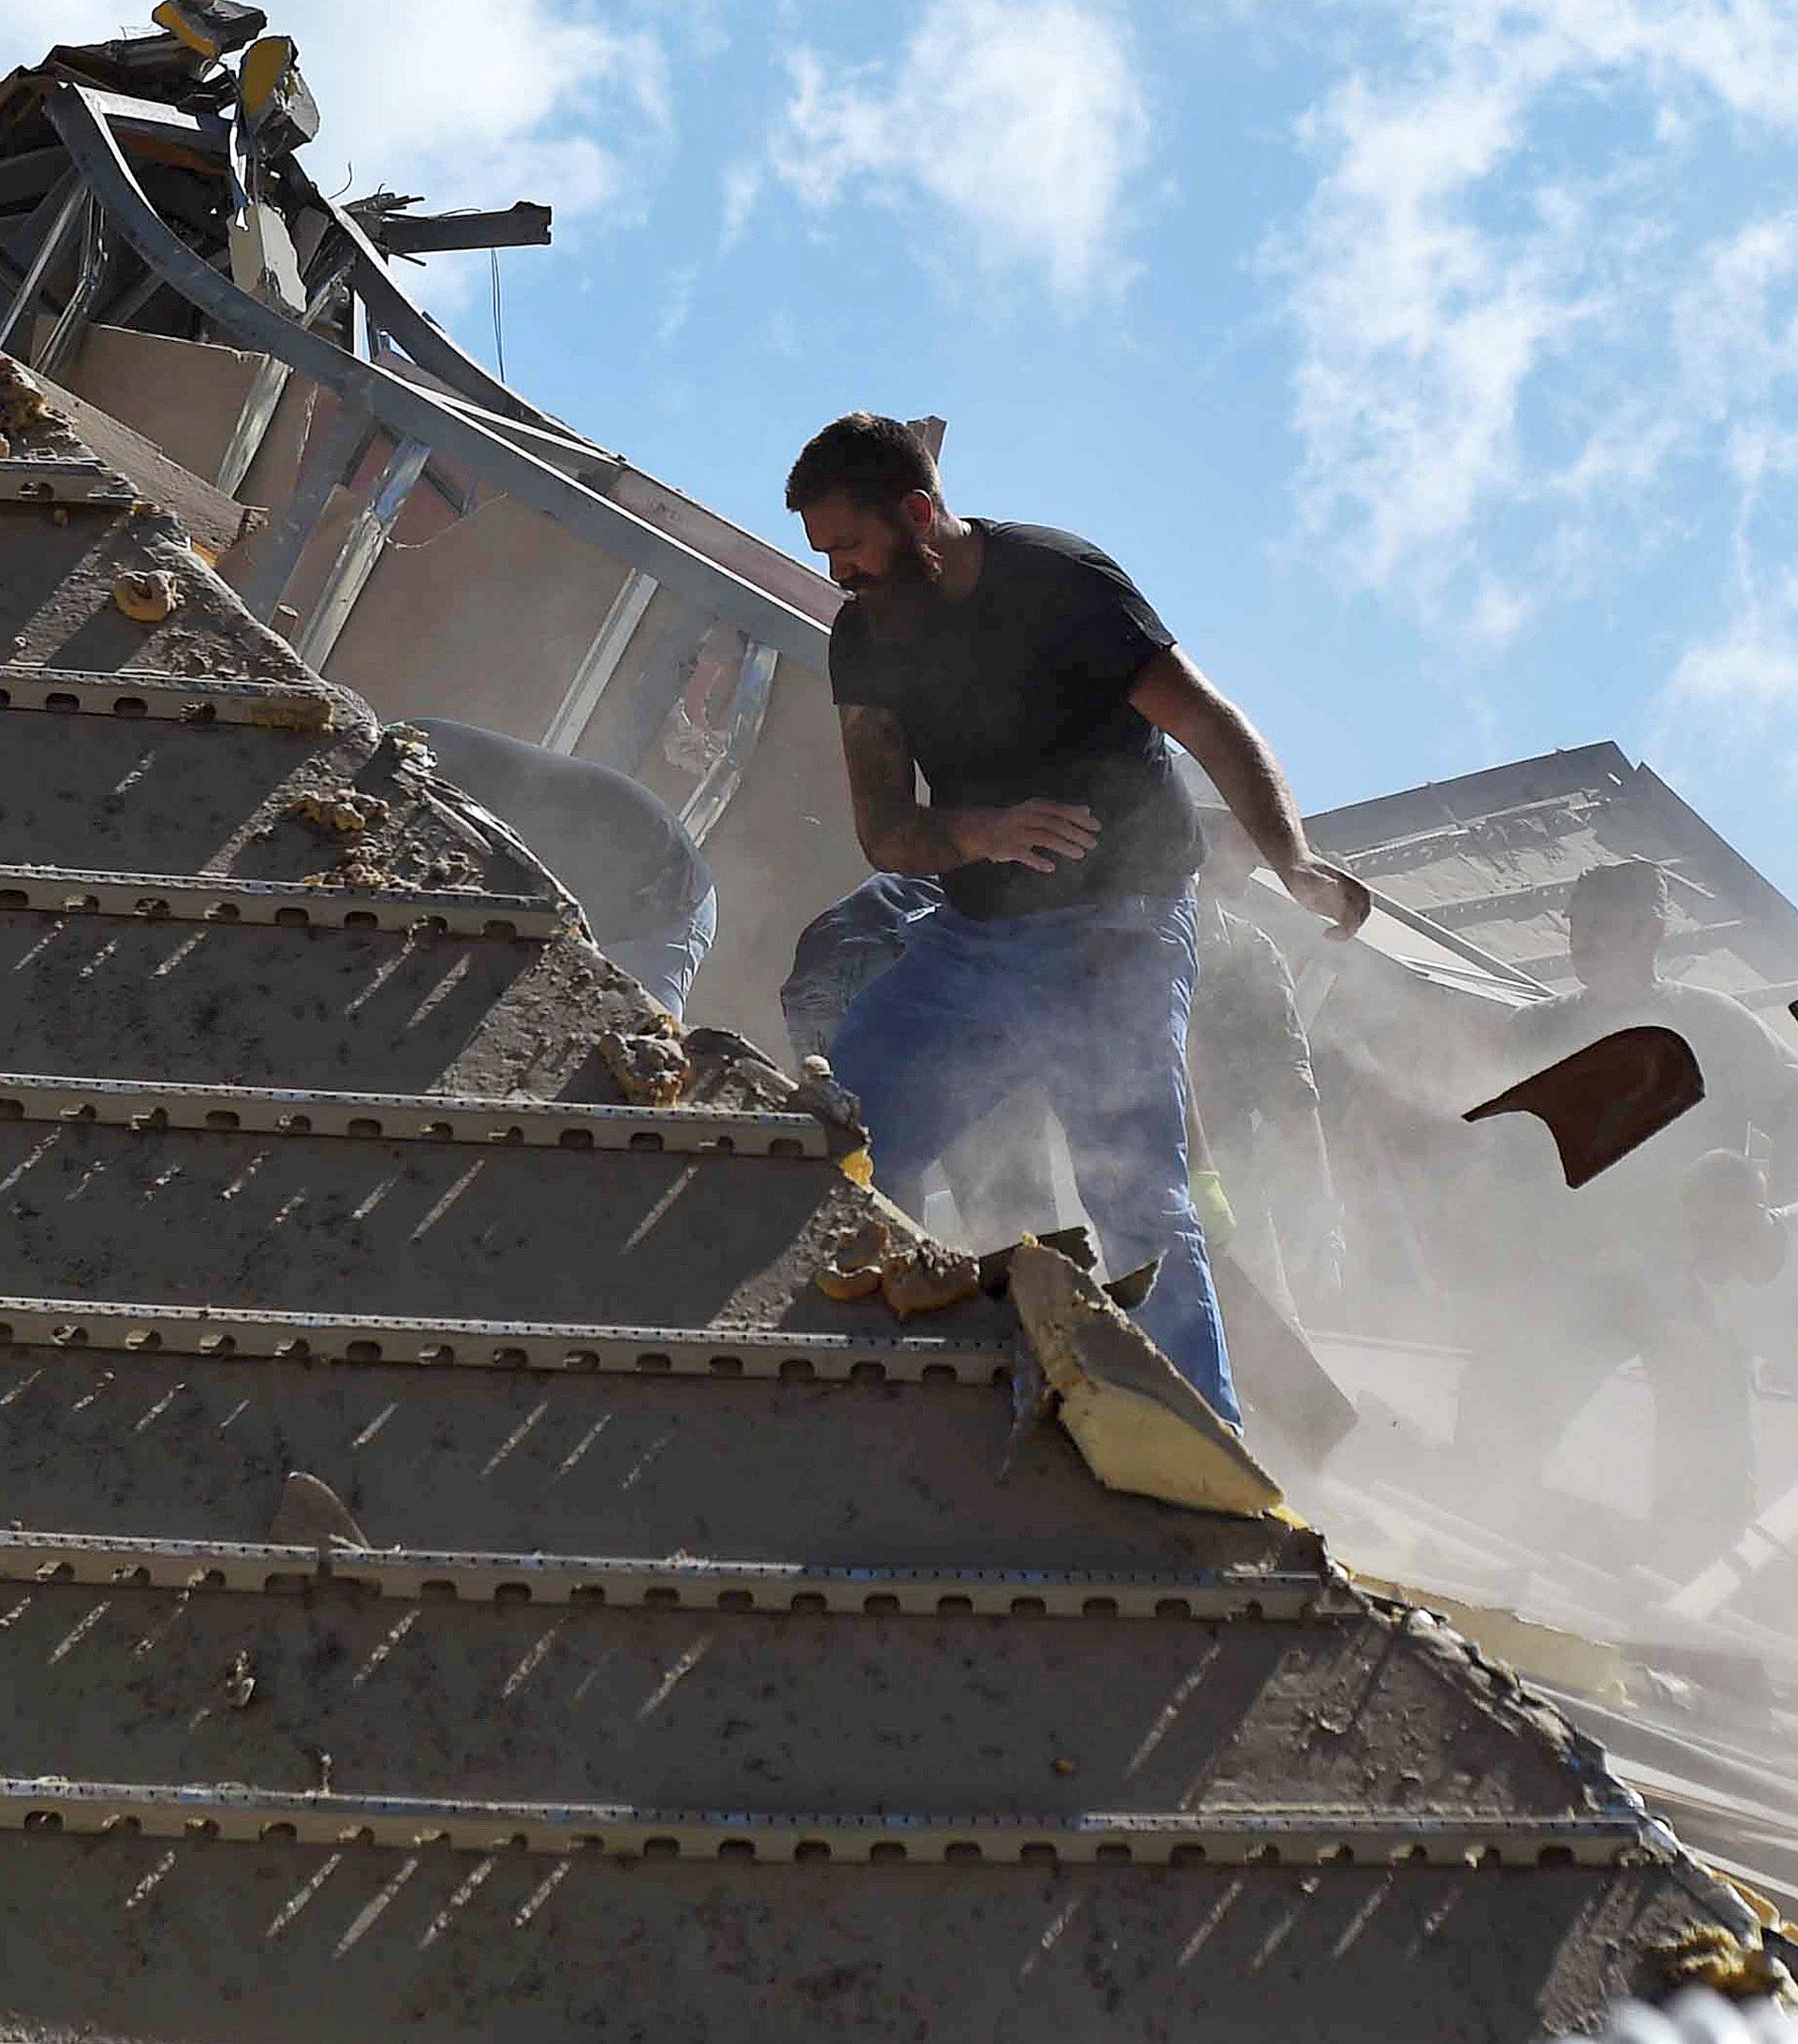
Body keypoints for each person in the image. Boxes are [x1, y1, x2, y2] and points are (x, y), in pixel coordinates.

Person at [784, 413, 1370, 1425]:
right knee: (852, 1132)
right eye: (826, 555)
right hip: (971, 941)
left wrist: (1295, 860)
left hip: (1121, 928)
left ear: (920, 514)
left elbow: (1211, 726)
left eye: (853, 549)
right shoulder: (863, 642)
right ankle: (878, 1362)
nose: (841, 574)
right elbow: (885, 828)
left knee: (1134, 1188)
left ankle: (1202, 1431)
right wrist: (984, 831)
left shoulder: (1064, 584)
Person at [1453, 858, 1798, 1556]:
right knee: (1494, 1428)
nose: (1585, 935)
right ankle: (1472, 1548)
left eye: (1605, 921)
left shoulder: (1712, 1024)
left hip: (1685, 1276)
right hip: (1568, 1273)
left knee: (1705, 1461)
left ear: (1654, 930)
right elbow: (1498, 1143)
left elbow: (1792, 1107)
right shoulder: (1535, 1029)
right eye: (1578, 921)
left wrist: (1766, 1219)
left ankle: (1696, 1586)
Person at [411, 718, 716, 1017]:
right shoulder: (417, 753)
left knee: (643, 1040)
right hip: (599, 878)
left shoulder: (418, 758)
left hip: (666, 899)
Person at [1190, 807, 1345, 1321]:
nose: (1254, 859)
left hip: (1228, 1190)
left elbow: (1289, 1092)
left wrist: (1318, 1217)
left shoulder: (1247, 953)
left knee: (1273, 1360)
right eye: (1241, 839)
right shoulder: (1115, 934)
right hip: (1123, 1184)